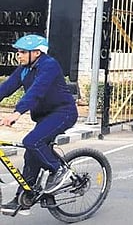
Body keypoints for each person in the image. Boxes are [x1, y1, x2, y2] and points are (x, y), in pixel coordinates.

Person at [0, 35, 78, 215]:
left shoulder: (49, 65)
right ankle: (25, 197)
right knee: (31, 154)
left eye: (22, 52)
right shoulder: (24, 68)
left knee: (32, 141)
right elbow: (6, 88)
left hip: (63, 113)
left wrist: (17, 112)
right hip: (44, 116)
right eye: (18, 52)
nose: (18, 55)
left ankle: (59, 171)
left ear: (36, 53)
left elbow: (37, 91)